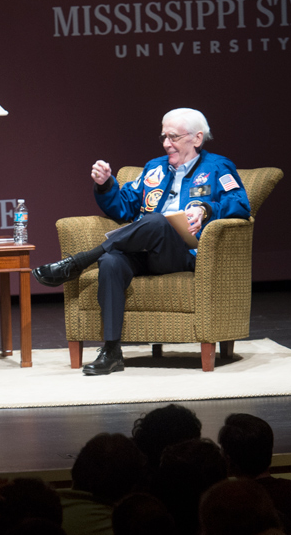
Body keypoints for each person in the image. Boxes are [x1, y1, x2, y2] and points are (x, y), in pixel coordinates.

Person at [32, 108, 250, 375]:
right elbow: (123, 207)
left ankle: (79, 262)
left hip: (182, 253)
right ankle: (111, 352)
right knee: (111, 262)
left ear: (197, 138)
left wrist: (206, 209)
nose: (166, 143)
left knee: (158, 221)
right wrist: (105, 185)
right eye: (163, 136)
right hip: (145, 252)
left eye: (173, 136)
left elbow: (240, 203)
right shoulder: (154, 168)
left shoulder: (217, 167)